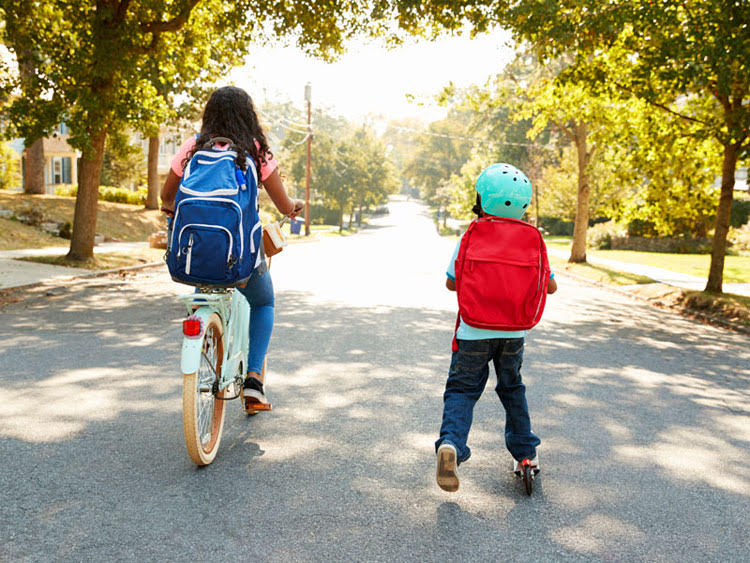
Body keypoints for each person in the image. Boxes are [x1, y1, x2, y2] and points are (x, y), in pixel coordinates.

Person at [160, 86, 303, 413]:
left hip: (195, 254)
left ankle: (205, 342)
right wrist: (293, 205)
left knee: (203, 291)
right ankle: (253, 380)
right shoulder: (256, 150)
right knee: (264, 301)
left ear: (209, 114)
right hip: (242, 257)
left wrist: (172, 212)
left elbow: (167, 197)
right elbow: (282, 203)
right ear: (248, 116)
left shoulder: (193, 147)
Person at [435, 163, 557, 493]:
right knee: (512, 389)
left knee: (462, 390)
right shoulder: (532, 239)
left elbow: (451, 283)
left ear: (481, 198)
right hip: (514, 332)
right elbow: (551, 286)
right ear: (524, 203)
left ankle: (451, 445)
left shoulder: (471, 235)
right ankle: (525, 456)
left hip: (473, 331)